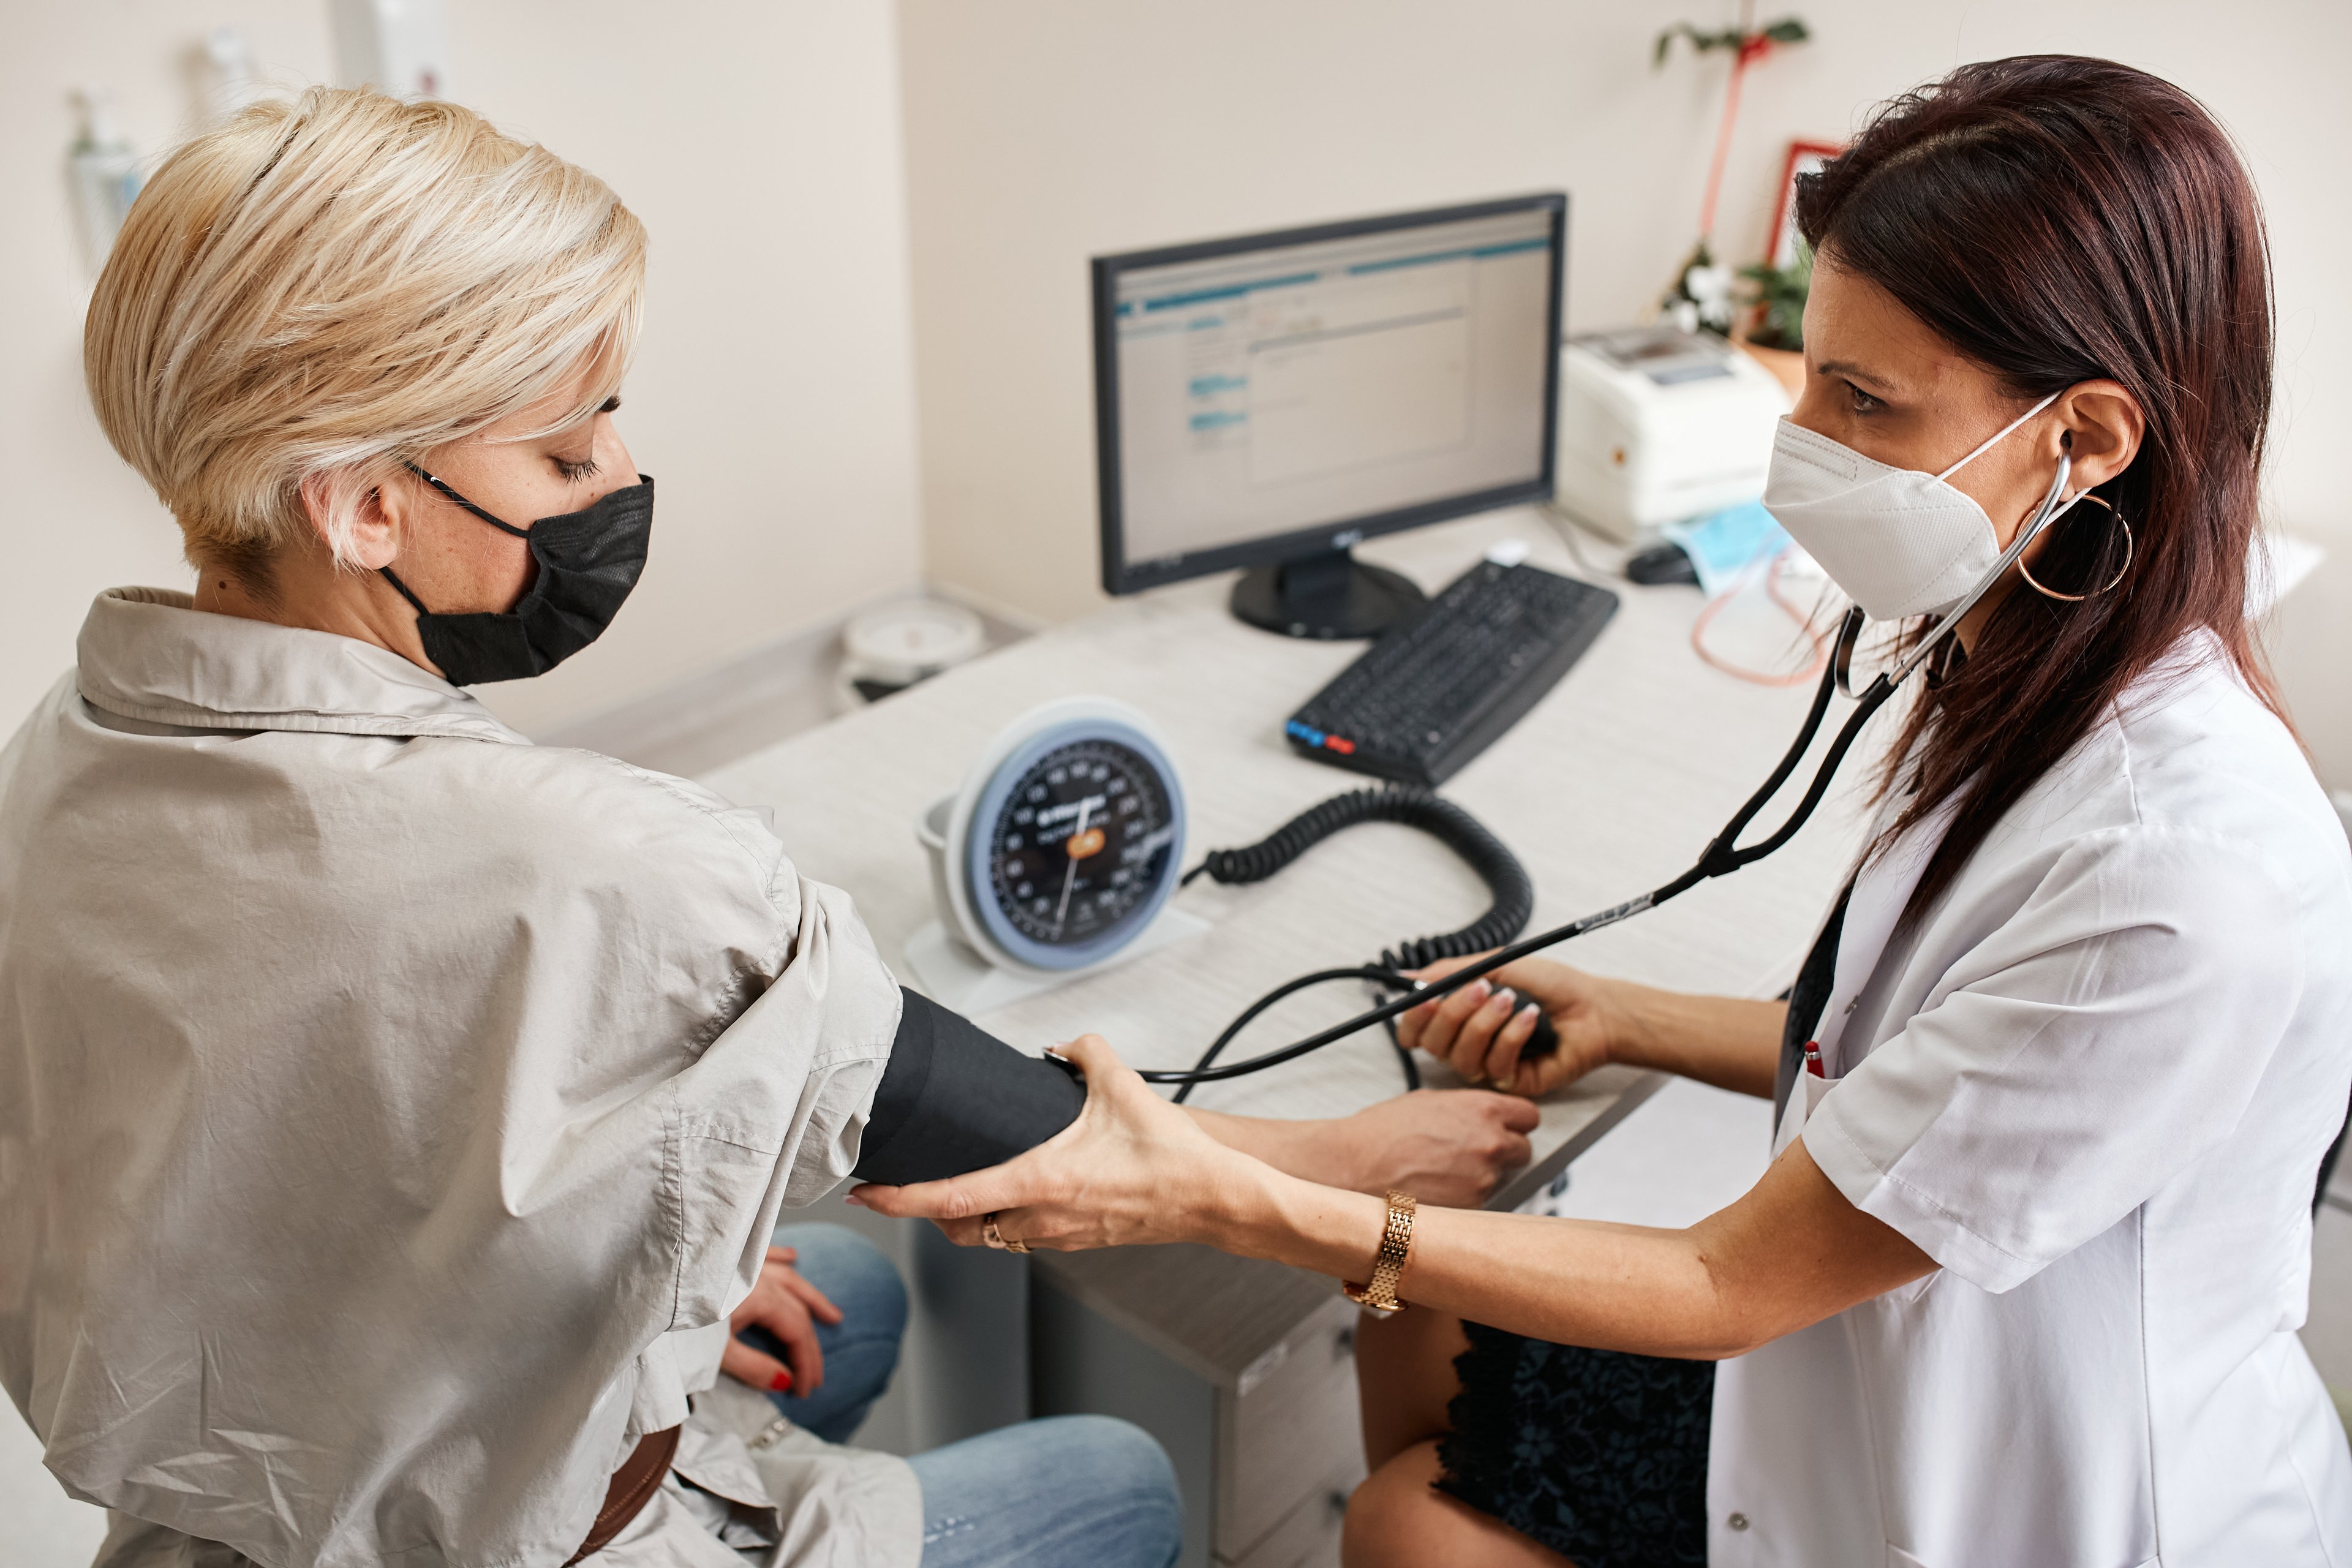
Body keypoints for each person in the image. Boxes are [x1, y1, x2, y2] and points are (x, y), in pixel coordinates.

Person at [0, 88, 1538, 1568]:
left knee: (841, 1294)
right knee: (1122, 1476)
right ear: (361, 507)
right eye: (566, 451)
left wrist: (556, 1312)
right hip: (493, 1533)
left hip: (234, 1497)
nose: (623, 477)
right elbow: (1039, 1147)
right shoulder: (608, 864)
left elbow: (260, 1148)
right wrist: (1343, 1166)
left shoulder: (60, 752)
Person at [857, 55, 2352, 1567]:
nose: (1805, 452)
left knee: (1396, 1501)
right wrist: (1627, 1015)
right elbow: (1927, 1049)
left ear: (2087, 440)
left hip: (2006, 1497)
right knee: (1412, 1299)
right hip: (1859, 1360)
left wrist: (1227, 1197)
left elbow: (1731, 1286)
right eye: (1807, 370)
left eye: (1866, 401)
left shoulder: (2176, 884)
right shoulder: (2040, 660)